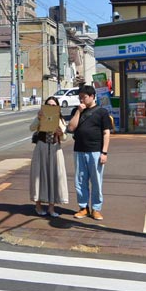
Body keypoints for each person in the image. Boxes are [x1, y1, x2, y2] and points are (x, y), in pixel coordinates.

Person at [67, 85, 112, 220]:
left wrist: (104, 152)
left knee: (96, 181)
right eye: (80, 97)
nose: (81, 99)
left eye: (84, 97)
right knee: (80, 180)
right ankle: (83, 207)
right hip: (79, 150)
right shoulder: (77, 110)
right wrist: (78, 112)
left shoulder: (101, 112)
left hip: (95, 151)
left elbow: (106, 133)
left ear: (92, 97)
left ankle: (96, 209)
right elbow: (71, 127)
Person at [29, 97, 69, 217]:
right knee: (39, 176)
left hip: (55, 148)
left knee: (54, 176)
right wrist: (38, 117)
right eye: (49, 105)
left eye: (53, 105)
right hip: (41, 147)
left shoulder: (61, 119)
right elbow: (31, 128)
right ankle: (38, 205)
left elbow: (65, 137)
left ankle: (51, 208)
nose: (51, 107)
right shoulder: (41, 117)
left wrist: (61, 134)